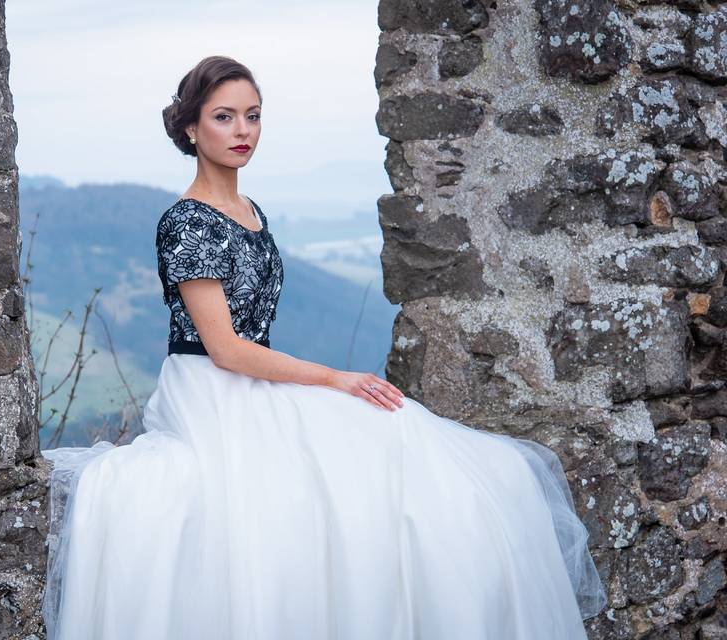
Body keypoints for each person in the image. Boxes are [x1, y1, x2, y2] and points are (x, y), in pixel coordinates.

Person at [41, 55, 607, 640]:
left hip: (257, 380)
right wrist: (334, 378)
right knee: (334, 470)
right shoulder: (187, 222)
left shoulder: (250, 211)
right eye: (224, 117)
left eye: (252, 117)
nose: (242, 132)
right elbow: (228, 350)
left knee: (413, 443)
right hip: (211, 391)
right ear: (191, 128)